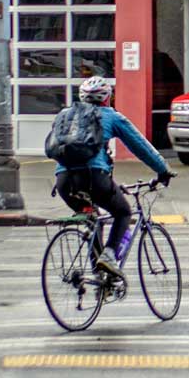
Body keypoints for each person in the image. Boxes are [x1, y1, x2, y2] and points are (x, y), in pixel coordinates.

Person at [44, 74, 173, 291]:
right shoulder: (111, 116)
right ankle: (109, 256)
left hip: (64, 182)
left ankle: (100, 277)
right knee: (123, 212)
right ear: (107, 98)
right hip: (94, 178)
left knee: (92, 219)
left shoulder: (65, 115)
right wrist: (163, 170)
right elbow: (140, 146)